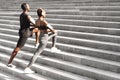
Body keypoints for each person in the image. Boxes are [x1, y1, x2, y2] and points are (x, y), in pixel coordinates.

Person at [24, 8, 60, 73]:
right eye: (45, 12)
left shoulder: (37, 21)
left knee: (36, 53)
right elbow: (52, 29)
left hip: (42, 38)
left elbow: (41, 29)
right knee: (36, 54)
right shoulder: (44, 21)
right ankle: (28, 67)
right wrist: (53, 30)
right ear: (42, 14)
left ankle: (53, 47)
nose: (45, 14)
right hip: (45, 39)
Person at [7, 3, 39, 68]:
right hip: (25, 33)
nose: (29, 7)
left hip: (25, 31)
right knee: (17, 49)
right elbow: (34, 23)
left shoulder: (21, 14)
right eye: (28, 6)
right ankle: (9, 63)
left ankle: (37, 43)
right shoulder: (27, 15)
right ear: (26, 8)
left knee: (37, 29)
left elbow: (27, 24)